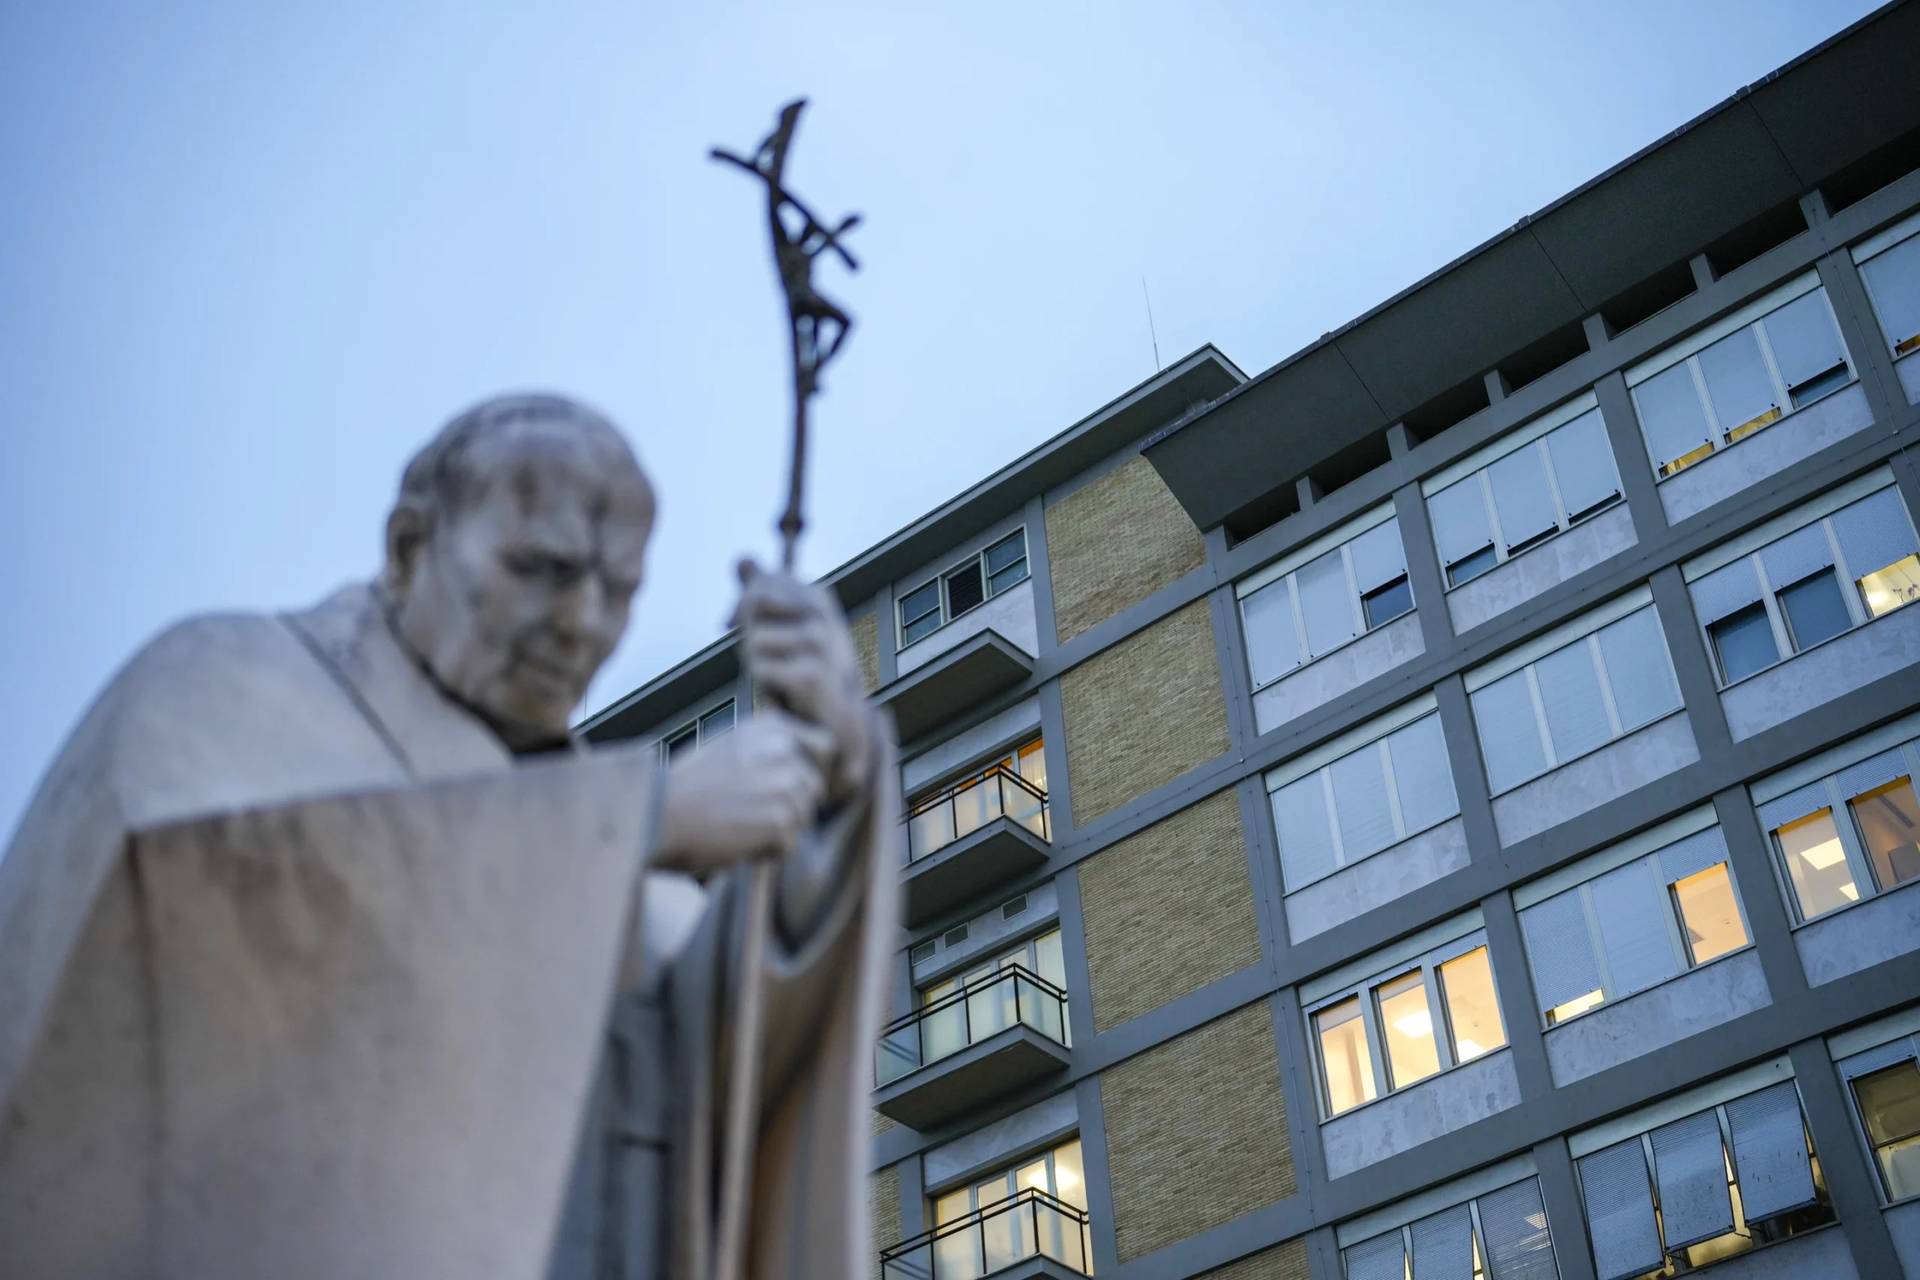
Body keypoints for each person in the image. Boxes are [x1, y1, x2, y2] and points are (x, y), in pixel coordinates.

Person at [0, 392, 896, 1280]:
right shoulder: (219, 687)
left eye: (617, 589)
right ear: (408, 548)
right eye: (539, 568)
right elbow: (188, 947)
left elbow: (718, 1106)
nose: (584, 621)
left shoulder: (604, 823)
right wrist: (637, 827)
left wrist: (829, 793)